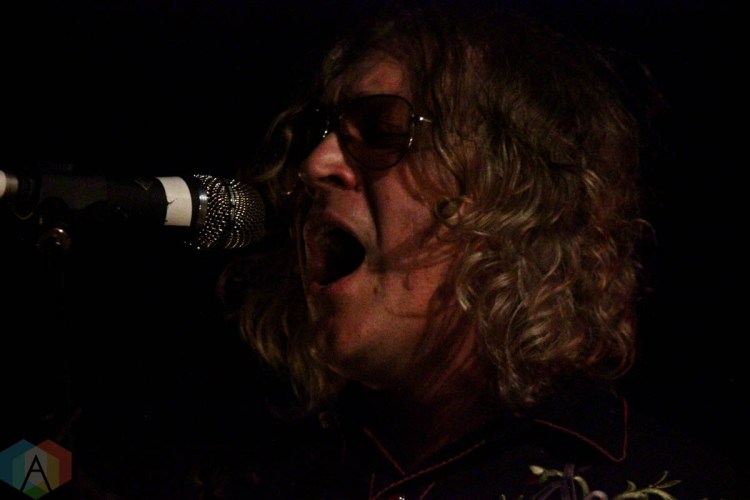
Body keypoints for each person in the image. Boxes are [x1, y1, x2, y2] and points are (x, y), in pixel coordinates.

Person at [210, 3, 740, 498]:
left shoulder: (675, 484)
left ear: (514, 192)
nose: (316, 163)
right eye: (320, 134)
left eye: (382, 130)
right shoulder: (262, 481)